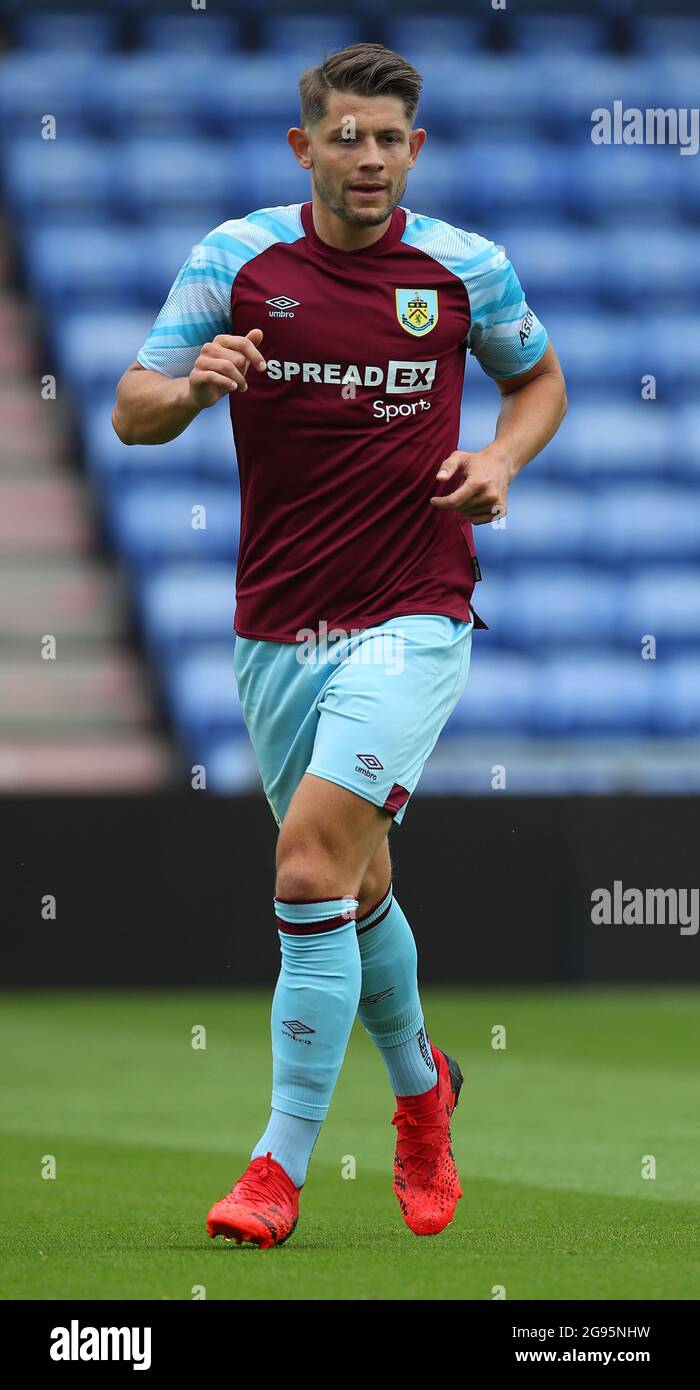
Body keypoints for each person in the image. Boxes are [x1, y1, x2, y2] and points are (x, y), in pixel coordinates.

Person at [112, 42, 567, 1248]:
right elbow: (130, 408)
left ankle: (276, 1167)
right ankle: (423, 1090)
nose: (367, 158)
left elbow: (539, 381)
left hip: (415, 606)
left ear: (414, 151)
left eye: (389, 140)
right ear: (302, 147)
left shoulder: (464, 267)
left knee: (308, 866)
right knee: (355, 887)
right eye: (345, 137)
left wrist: (500, 459)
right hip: (278, 626)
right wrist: (196, 385)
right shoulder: (235, 259)